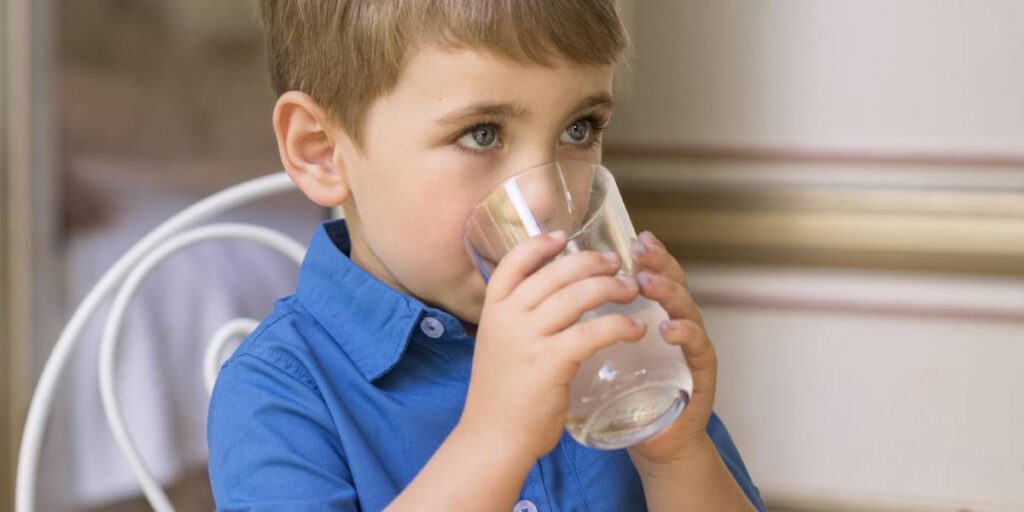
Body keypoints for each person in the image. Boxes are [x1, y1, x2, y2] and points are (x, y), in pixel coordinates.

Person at [208, 1, 765, 510]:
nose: (549, 198)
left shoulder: (608, 340)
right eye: (481, 134)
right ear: (323, 151)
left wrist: (677, 455)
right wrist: (495, 436)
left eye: (579, 128)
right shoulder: (278, 394)